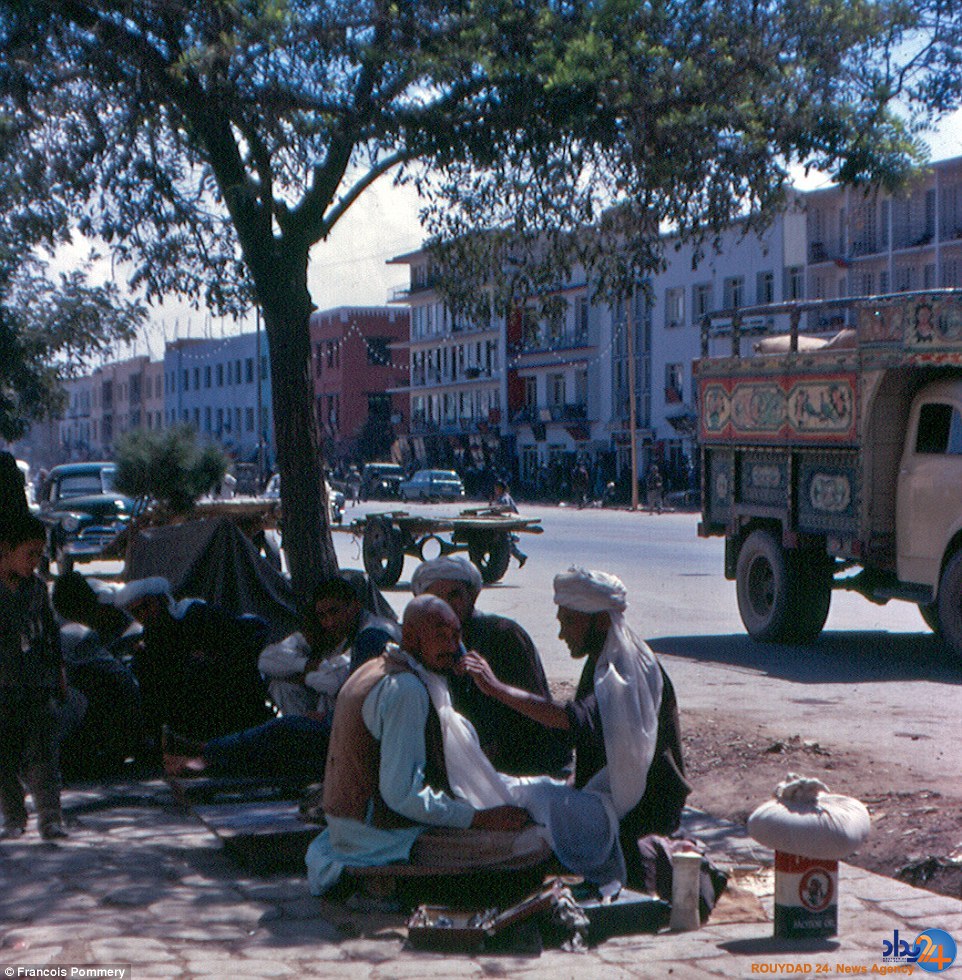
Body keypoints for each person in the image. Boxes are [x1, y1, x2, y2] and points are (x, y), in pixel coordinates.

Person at [461, 566, 690, 889]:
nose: (562, 634)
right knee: (519, 788)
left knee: (533, 798)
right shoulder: (605, 658)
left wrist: (497, 689)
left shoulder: (620, 670)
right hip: (614, 802)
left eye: (568, 621)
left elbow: (572, 720)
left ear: (599, 620)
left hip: (640, 814)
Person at [305, 594, 536, 896]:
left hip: (349, 826)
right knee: (531, 845)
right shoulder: (407, 691)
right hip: (379, 837)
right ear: (411, 637)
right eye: (441, 637)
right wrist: (478, 818)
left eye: (457, 636)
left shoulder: (379, 666)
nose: (454, 648)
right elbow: (401, 795)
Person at [162, 576, 399, 782]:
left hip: (361, 730)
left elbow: (341, 685)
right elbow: (267, 660)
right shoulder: (331, 634)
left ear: (354, 606)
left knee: (285, 729)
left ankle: (206, 751)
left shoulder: (372, 636)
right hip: (337, 720)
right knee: (282, 688)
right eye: (323, 616)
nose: (329, 622)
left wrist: (311, 690)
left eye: (335, 612)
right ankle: (209, 753)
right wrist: (305, 667)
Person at [406, 557, 570, 777]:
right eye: (437, 598)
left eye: (455, 595)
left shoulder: (503, 635)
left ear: (472, 597)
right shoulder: (425, 642)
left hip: (523, 764)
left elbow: (535, 711)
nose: (447, 605)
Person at [113, 577, 273, 749]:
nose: (144, 615)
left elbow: (239, 645)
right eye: (137, 612)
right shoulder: (152, 633)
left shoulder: (198, 615)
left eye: (146, 606)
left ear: (163, 600)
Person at [0, 513, 68, 840]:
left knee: (43, 753)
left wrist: (59, 674)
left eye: (40, 554)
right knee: (4, 758)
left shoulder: (37, 591)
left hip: (35, 684)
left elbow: (51, 636)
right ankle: (14, 815)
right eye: (29, 554)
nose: (35, 562)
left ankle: (50, 818)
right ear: (5, 551)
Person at [51, 572, 143, 776]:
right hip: (109, 714)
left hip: (106, 717)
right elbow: (123, 680)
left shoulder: (65, 632)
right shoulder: (77, 634)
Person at [489, 480, 527, 568]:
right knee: (508, 543)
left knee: (507, 542)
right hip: (509, 521)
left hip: (507, 522)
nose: (495, 490)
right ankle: (520, 556)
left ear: (500, 488)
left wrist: (492, 507)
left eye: (496, 488)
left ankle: (520, 556)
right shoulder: (504, 497)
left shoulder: (503, 498)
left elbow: (502, 510)